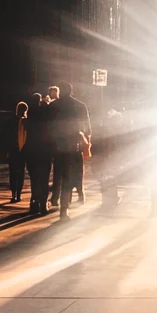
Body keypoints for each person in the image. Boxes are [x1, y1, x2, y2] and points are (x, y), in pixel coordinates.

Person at [48, 83, 91, 219]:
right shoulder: (80, 106)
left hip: (58, 146)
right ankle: (65, 208)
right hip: (74, 145)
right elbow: (87, 128)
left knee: (58, 174)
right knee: (70, 176)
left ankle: (58, 201)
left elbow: (48, 126)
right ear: (71, 91)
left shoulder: (53, 106)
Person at [7, 101, 32, 203]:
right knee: (21, 172)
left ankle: (13, 194)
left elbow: (6, 136)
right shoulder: (27, 122)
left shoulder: (10, 121)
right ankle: (18, 194)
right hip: (23, 150)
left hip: (12, 150)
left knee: (12, 173)